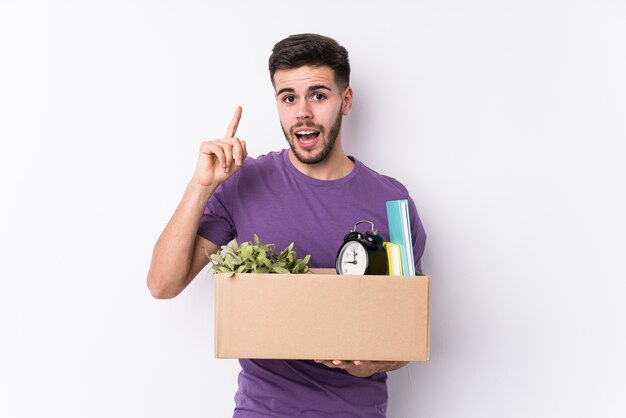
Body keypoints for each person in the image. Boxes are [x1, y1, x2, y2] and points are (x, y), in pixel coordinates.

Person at [147, 33, 426, 417]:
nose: (303, 113)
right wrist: (201, 185)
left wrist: (378, 362)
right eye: (289, 98)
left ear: (345, 101)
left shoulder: (391, 203)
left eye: (319, 95)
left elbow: (406, 332)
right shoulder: (243, 183)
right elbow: (163, 284)